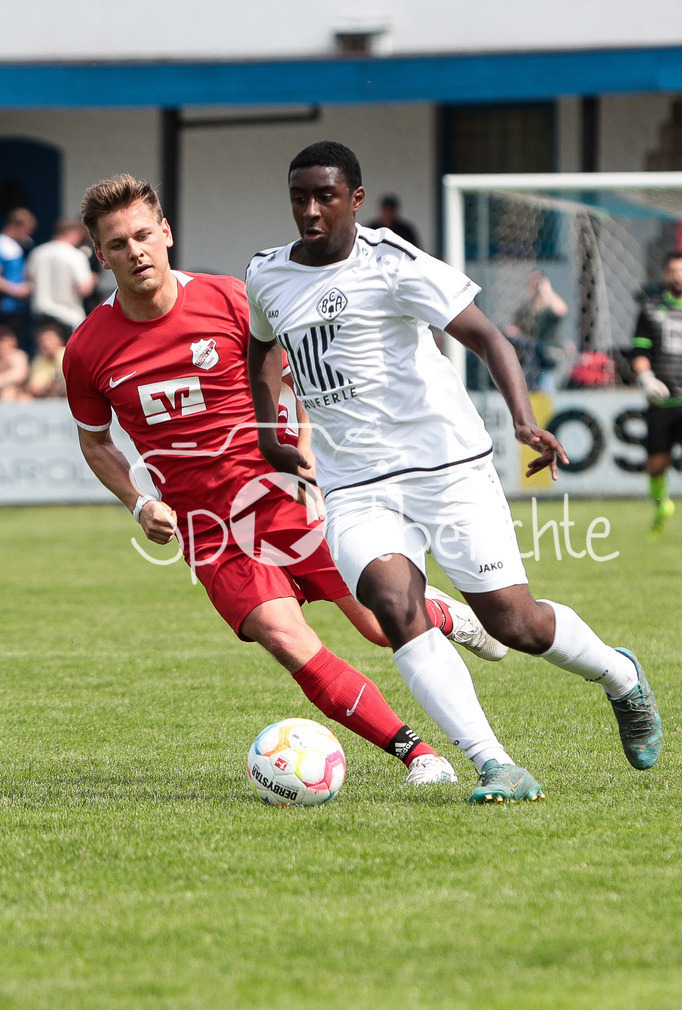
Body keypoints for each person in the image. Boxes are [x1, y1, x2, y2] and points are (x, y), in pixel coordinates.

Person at [246, 140, 663, 803]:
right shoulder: (268, 273)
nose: (311, 211)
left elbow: (488, 336)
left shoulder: (394, 263)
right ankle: (495, 765)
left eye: (326, 196)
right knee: (393, 605)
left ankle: (620, 676)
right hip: (355, 484)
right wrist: (271, 431)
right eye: (300, 198)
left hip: (448, 467)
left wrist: (523, 421)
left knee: (513, 624)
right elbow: (263, 347)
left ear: (356, 198)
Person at [63, 174, 505, 792]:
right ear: (100, 254)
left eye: (143, 235)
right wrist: (139, 503)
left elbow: (300, 381)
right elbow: (95, 441)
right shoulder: (87, 349)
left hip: (279, 494)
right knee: (283, 636)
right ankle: (418, 753)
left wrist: (307, 457)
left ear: (165, 233)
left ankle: (441, 614)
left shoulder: (230, 299)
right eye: (118, 244)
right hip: (210, 531)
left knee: (378, 624)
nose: (135, 251)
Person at [629, 251, 682, 536]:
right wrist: (646, 378)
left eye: (681, 271)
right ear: (665, 274)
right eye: (673, 271)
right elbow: (640, 351)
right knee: (656, 464)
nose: (677, 276)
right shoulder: (650, 309)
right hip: (662, 400)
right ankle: (663, 505)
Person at [27, 218, 95, 336]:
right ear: (73, 233)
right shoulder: (76, 255)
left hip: (42, 316)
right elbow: (85, 289)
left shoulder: (37, 253)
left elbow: (28, 281)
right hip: (67, 316)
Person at [505, 271, 569, 393]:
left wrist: (547, 291)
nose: (534, 287)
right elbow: (517, 329)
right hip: (532, 354)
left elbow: (562, 310)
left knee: (545, 381)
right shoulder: (526, 310)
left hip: (550, 352)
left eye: (537, 283)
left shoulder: (550, 308)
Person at [0, 207, 37, 349]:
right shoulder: (3, 245)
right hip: (4, 311)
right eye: (27, 230)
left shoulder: (14, 246)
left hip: (15, 310)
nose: (28, 235)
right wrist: (17, 290)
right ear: (16, 226)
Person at [26, 320, 67, 398]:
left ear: (60, 341)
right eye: (42, 341)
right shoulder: (38, 360)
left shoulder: (67, 355)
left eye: (49, 340)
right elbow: (33, 388)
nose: (45, 344)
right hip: (46, 398)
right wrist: (49, 386)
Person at [0, 323, 29, 400]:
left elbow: (19, 375)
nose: (3, 345)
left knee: (8, 391)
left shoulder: (18, 356)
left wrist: (2, 380)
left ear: (13, 342)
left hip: (18, 396)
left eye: (5, 341)